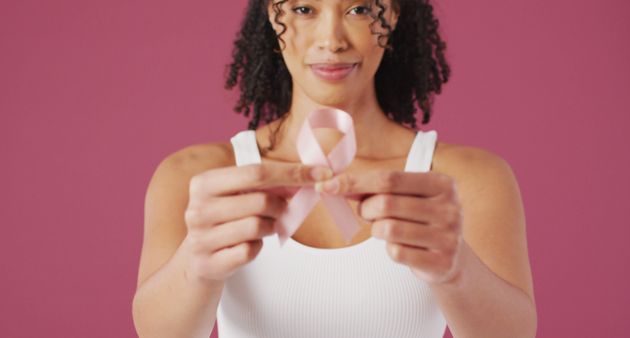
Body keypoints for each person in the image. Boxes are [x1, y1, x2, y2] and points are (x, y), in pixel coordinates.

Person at [132, 0, 537, 337]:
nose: (332, 41)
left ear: (392, 15)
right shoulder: (198, 178)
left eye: (359, 9)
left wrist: (456, 270)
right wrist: (196, 265)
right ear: (275, 18)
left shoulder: (462, 180)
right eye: (305, 8)